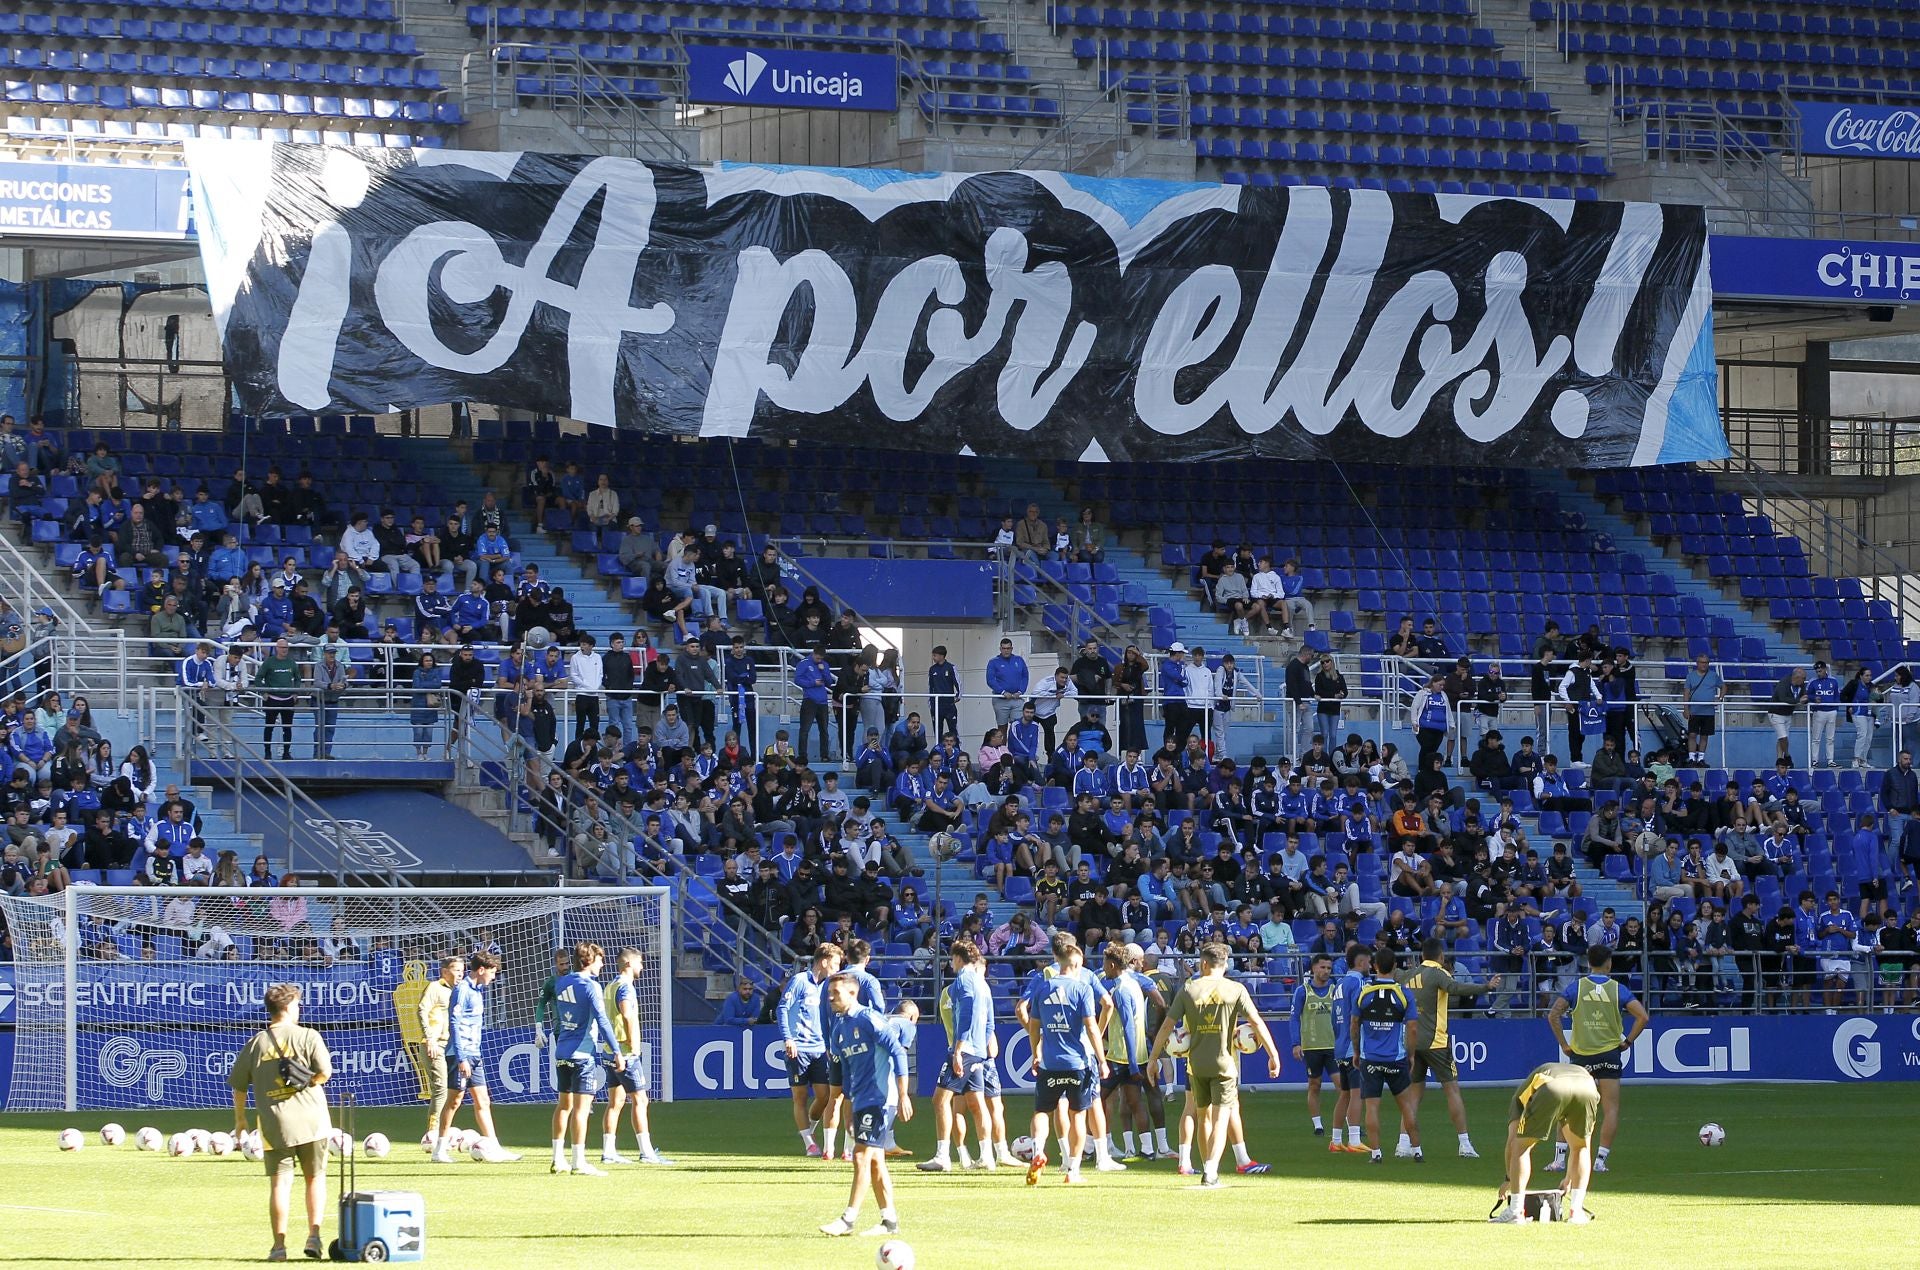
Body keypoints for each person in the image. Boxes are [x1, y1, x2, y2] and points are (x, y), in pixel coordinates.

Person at [1147, 941, 1280, 1188]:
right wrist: (1273, 1054)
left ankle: (1200, 1164)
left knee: (1202, 1117)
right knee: (1221, 1119)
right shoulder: (1236, 989)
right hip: (1224, 1065)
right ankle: (1210, 1171)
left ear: (1203, 963)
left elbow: (1167, 1026)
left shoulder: (1188, 989)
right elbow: (1257, 1022)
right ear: (1226, 964)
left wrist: (1153, 1059)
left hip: (1195, 1065)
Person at [227, 982, 333, 1262]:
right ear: (287, 1007)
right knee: (315, 1179)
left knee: (280, 1184)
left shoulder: (256, 1042)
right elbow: (324, 1073)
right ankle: (314, 1234)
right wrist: (307, 1081)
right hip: (313, 1119)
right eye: (297, 1004)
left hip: (276, 1123)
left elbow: (238, 1086)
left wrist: (240, 1119)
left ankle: (279, 1246)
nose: (299, 1009)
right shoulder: (309, 1036)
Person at [819, 971, 912, 1238]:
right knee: (875, 1162)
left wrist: (904, 1094)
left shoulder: (869, 1019)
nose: (831, 998)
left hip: (880, 1099)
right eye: (829, 994)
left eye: (835, 993)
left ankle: (848, 1219)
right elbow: (847, 1075)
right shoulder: (839, 1030)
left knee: (861, 1156)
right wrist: (849, 1110)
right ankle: (889, 1221)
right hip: (861, 1101)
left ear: (852, 993)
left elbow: (896, 1051)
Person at [1545, 945, 1649, 1175]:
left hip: (1582, 1056)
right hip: (1610, 1054)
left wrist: (1564, 1044)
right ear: (1609, 963)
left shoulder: (1577, 987)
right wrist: (1628, 1041)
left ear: (1588, 962)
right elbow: (1642, 1016)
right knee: (1610, 1109)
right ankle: (1600, 1160)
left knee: (1570, 1108)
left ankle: (1559, 1159)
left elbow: (1553, 1014)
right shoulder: (1618, 989)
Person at [1017, 931, 1108, 1186]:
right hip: (1077, 1062)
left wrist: (1036, 1053)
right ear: (1076, 963)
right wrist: (1101, 1060)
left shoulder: (1042, 986)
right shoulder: (1082, 989)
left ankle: (1037, 1152)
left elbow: (1034, 1026)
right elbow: (1091, 1028)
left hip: (1049, 1062)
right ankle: (1073, 1170)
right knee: (1079, 1114)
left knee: (1042, 1111)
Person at [1401, 938, 1499, 1159]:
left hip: (1412, 1042)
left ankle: (1403, 1144)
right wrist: (1485, 986)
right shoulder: (1438, 974)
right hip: (1436, 1042)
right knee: (1452, 1090)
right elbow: (1456, 988)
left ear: (1421, 955)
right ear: (1441, 956)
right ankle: (1464, 1144)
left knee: (1412, 1094)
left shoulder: (1409, 975)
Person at [431, 950, 519, 1163]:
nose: (494, 977)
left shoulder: (478, 990)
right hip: (459, 1054)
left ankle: (495, 1147)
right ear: (481, 970)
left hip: (474, 1053)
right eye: (492, 972)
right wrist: (461, 1058)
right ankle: (439, 1150)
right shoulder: (462, 990)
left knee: (483, 1100)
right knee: (454, 1101)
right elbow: (454, 1023)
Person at [919, 937, 996, 1173]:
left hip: (965, 1050)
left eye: (952, 957)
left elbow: (966, 1014)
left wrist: (959, 1049)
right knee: (976, 1103)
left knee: (939, 1100)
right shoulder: (983, 983)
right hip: (979, 1051)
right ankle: (986, 1156)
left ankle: (943, 1156)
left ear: (958, 958)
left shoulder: (963, 980)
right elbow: (990, 1021)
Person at [1490, 1062, 1600, 1224]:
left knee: (1522, 1147)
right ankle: (1576, 1212)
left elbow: (1513, 1144)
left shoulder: (1518, 1099)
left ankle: (1515, 1211)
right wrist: (1568, 1179)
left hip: (1553, 1087)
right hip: (1588, 1087)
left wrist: (1508, 1180)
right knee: (1580, 1147)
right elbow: (1582, 1146)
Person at [550, 941, 625, 1176]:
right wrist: (616, 1051)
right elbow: (602, 1021)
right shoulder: (591, 986)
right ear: (590, 960)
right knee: (581, 1110)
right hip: (582, 1054)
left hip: (562, 1051)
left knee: (563, 1106)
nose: (603, 964)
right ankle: (578, 1161)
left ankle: (557, 1159)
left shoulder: (562, 982)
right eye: (601, 959)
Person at [601, 947, 673, 1165]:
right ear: (628, 964)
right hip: (624, 1052)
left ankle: (608, 1151)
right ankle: (646, 1151)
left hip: (609, 1050)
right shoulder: (625, 988)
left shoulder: (610, 985)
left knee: (616, 1101)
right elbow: (627, 1014)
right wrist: (633, 1044)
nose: (642, 967)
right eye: (640, 963)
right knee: (640, 1099)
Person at [1351, 947, 1420, 1163]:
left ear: (1375, 966)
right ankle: (1417, 1150)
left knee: (1372, 1108)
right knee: (1406, 1106)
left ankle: (1376, 1153)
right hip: (1396, 1058)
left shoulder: (1364, 992)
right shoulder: (1403, 993)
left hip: (1370, 1059)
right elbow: (1412, 1028)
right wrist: (1410, 1055)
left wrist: (1355, 1051)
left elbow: (1354, 1024)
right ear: (1396, 967)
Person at [780, 946, 841, 1157]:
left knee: (825, 1096)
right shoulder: (799, 981)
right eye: (834, 964)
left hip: (818, 1049)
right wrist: (788, 1038)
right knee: (800, 1096)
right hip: (799, 1047)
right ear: (824, 962)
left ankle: (809, 1131)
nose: (836, 970)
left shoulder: (827, 988)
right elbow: (782, 1008)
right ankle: (809, 1143)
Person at [1289, 953, 1339, 1137]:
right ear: (1314, 968)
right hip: (1311, 1046)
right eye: (1322, 967)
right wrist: (1296, 1043)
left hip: (1333, 1045)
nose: (1326, 971)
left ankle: (1350, 1123)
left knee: (1342, 1086)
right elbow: (1294, 1018)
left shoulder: (1335, 989)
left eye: (1328, 968)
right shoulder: (1303, 991)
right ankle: (1317, 1124)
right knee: (1314, 1085)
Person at [415, 955, 459, 1157]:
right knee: (440, 1087)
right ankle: (433, 1131)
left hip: (451, 1046)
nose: (460, 973)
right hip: (434, 1044)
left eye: (462, 970)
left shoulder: (458, 990)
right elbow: (422, 1010)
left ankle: (442, 1130)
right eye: (456, 970)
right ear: (444, 971)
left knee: (451, 1089)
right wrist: (429, 1038)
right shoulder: (434, 987)